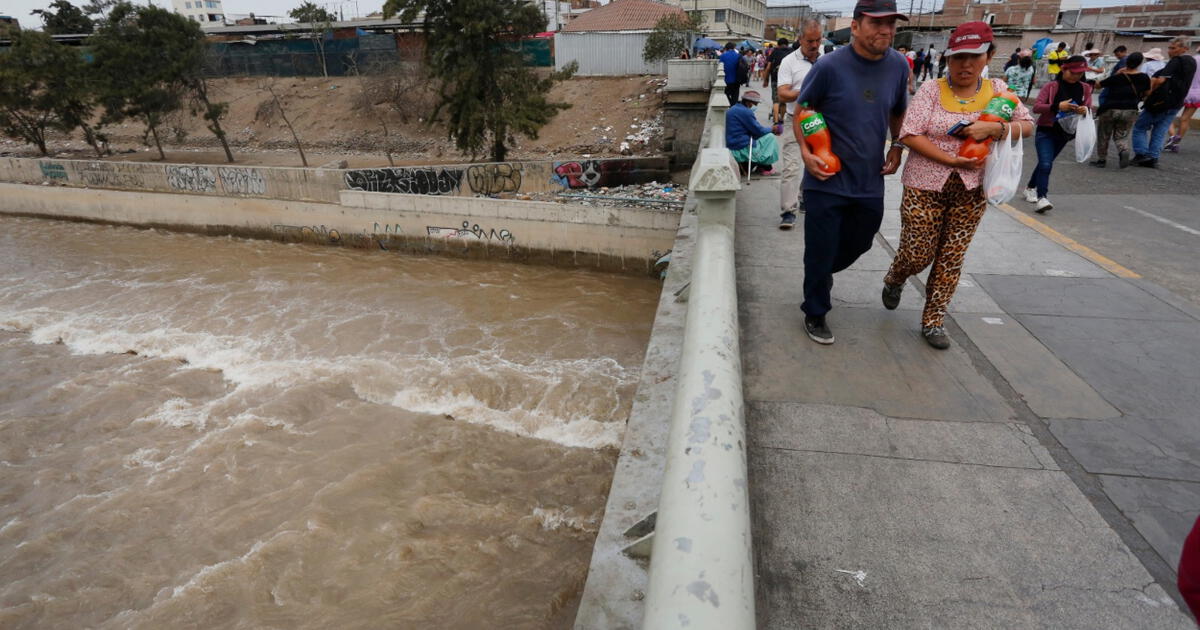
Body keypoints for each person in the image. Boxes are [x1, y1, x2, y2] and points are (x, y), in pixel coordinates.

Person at [884, 22, 1034, 349]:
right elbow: (909, 133)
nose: (965, 65)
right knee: (917, 252)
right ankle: (896, 276)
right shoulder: (931, 90)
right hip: (925, 184)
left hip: (972, 189)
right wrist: (950, 160)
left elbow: (1027, 125)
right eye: (958, 57)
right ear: (948, 59)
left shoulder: (998, 91)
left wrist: (995, 131)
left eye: (974, 57)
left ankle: (934, 319)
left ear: (989, 56)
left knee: (952, 256)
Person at [795, 0, 909, 345]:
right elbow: (802, 109)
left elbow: (898, 111)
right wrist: (805, 153)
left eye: (890, 23)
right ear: (856, 27)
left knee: (860, 241)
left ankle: (821, 272)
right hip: (825, 179)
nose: (885, 30)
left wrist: (896, 146)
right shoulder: (829, 66)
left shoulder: (899, 66)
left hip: (868, 180)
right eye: (876, 23)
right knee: (819, 248)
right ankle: (815, 311)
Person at [1022, 55, 1092, 213]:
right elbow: (1037, 107)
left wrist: (1084, 110)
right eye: (1073, 72)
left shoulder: (1085, 88)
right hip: (1046, 130)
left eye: (1080, 73)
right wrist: (1057, 106)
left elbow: (1088, 107)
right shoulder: (1051, 86)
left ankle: (1030, 187)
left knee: (1044, 163)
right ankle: (1042, 198)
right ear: (1064, 69)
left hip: (1066, 132)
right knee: (1046, 163)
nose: (1077, 76)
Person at [775, 19, 824, 229]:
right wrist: (805, 91)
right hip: (795, 120)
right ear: (800, 38)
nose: (814, 45)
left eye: (818, 40)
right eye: (810, 41)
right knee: (792, 167)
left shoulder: (828, 59)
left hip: (820, 122)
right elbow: (783, 93)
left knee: (816, 163)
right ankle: (788, 211)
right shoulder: (789, 62)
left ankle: (805, 196)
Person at [1132, 37, 1197, 168]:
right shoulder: (1192, 62)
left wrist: (1148, 94)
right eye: (1170, 48)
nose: (1170, 51)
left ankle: (1141, 154)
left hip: (1161, 102)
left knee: (1140, 127)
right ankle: (1153, 157)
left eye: (1173, 48)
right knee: (1160, 130)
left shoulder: (1176, 60)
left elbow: (1160, 80)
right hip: (1177, 102)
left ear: (1185, 48)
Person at [1091, 52, 1148, 169]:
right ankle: (1123, 150)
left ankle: (1102, 159)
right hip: (1130, 109)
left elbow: (1098, 85)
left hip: (1110, 108)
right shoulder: (1144, 77)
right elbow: (1147, 93)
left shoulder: (1118, 77)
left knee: (1104, 134)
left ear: (1126, 62)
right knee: (1122, 135)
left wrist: (1117, 73)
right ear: (1140, 63)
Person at [725, 90, 779, 174]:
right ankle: (766, 166)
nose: (755, 106)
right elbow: (759, 131)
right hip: (740, 146)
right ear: (748, 102)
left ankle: (764, 166)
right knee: (770, 137)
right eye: (754, 103)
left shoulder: (734, 108)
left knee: (763, 138)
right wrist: (771, 129)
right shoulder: (746, 112)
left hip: (733, 143)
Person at [1163, 44, 1200, 152]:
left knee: (1168, 116)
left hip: (1183, 91)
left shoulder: (1192, 60)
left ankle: (1172, 137)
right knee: (1185, 119)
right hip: (1198, 94)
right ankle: (1176, 142)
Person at [763, 38, 793, 126]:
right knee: (783, 101)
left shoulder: (774, 52)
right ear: (787, 44)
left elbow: (768, 67)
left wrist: (766, 80)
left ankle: (776, 121)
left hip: (775, 79)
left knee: (776, 100)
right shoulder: (792, 52)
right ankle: (782, 119)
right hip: (787, 81)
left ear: (778, 45)